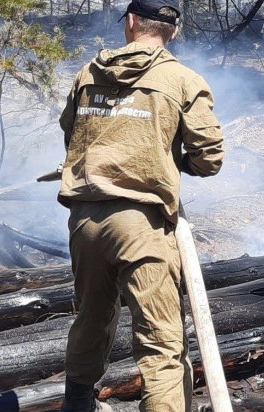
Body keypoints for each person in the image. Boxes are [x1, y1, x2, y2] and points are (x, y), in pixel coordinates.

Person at [57, 0, 224, 410]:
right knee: (161, 343)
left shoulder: (87, 73)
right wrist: (176, 161)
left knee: (92, 319)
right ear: (174, 31)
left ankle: (77, 405)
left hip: (86, 222)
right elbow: (210, 156)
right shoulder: (183, 79)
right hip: (142, 226)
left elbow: (70, 133)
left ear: (131, 23)